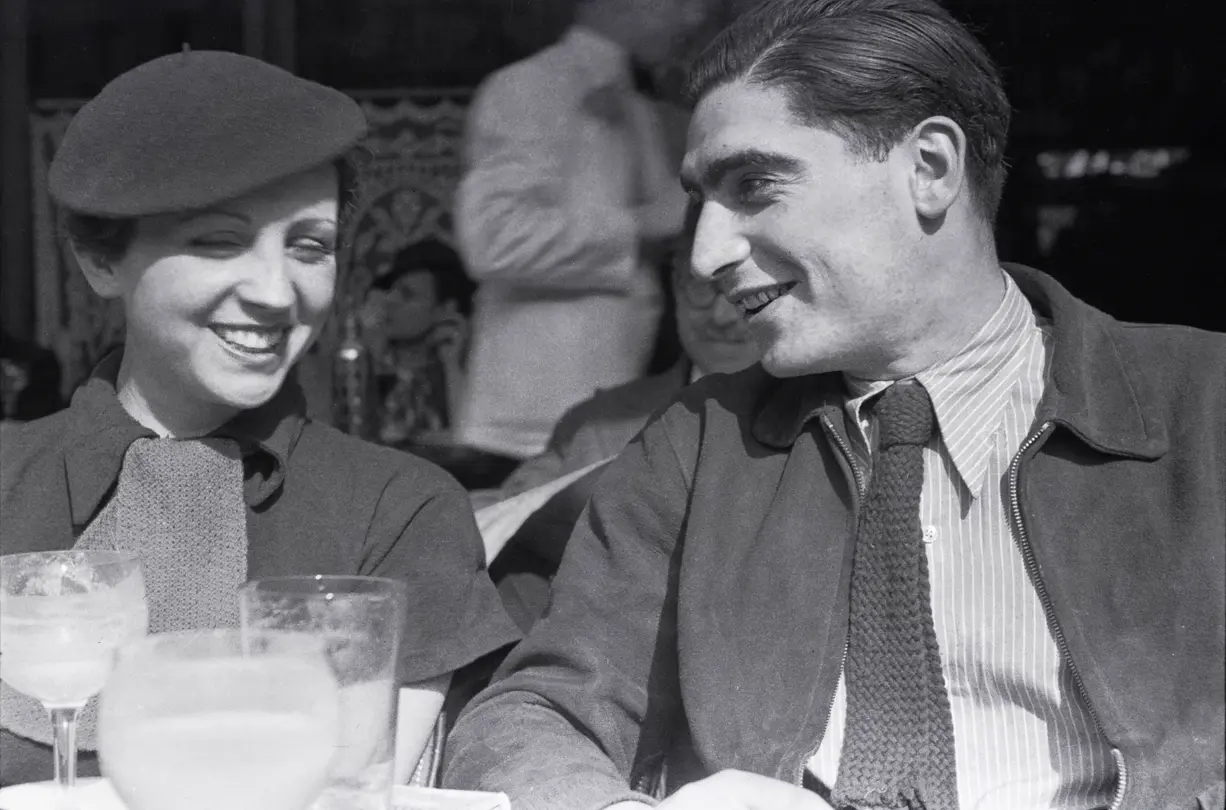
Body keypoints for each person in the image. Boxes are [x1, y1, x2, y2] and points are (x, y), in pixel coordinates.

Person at [442, 1, 1226, 809]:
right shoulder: (696, 445)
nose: (706, 252)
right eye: (701, 201)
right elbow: (533, 716)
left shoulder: (1204, 408)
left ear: (929, 167)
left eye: (755, 184)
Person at [0, 51, 520, 786]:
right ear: (98, 260)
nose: (278, 292)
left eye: (310, 246)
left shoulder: (400, 510)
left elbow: (348, 795)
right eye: (219, 241)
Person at [452, 0, 720, 463]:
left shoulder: (642, 103)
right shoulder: (530, 87)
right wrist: (640, 226)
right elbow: (492, 239)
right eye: (680, 1)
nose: (694, 17)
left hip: (627, 405)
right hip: (537, 422)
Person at [479, 216, 761, 631]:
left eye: (743, 289)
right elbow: (505, 529)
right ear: (675, 281)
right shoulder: (597, 424)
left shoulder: (839, 418)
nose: (721, 315)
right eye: (702, 285)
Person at [359, 239, 476, 444]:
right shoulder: (371, 360)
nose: (389, 300)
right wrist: (371, 349)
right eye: (390, 290)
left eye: (407, 294)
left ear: (445, 309)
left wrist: (452, 364)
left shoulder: (469, 366)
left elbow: (468, 443)